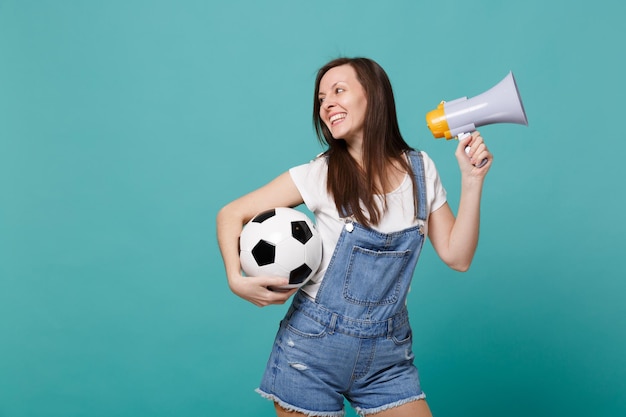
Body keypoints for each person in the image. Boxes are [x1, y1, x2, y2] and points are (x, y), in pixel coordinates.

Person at [216, 57, 492, 417]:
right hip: (310, 353)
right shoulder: (322, 173)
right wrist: (236, 280)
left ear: (373, 96)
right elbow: (230, 214)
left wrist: (472, 181)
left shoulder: (421, 169)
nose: (326, 103)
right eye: (321, 98)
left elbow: (459, 257)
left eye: (338, 91)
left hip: (387, 355)